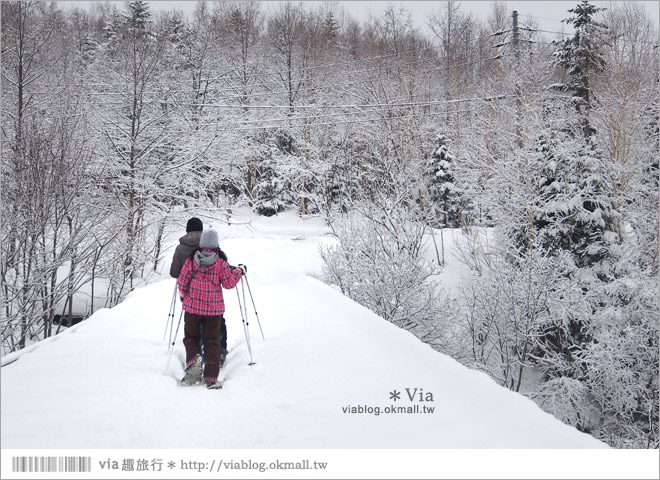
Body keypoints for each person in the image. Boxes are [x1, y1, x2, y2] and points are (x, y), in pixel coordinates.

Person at [177, 228, 246, 389]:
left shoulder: (191, 260)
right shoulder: (220, 263)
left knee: (191, 338)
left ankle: (194, 363)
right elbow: (229, 283)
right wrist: (239, 271)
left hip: (192, 308)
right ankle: (211, 377)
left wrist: (184, 295)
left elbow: (182, 282)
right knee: (212, 342)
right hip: (213, 311)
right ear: (216, 245)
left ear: (201, 244)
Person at [170, 217, 229, 366]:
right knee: (216, 326)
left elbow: (174, 272)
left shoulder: (180, 248)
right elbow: (225, 273)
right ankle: (219, 351)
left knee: (191, 330)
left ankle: (195, 357)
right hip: (212, 300)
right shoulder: (213, 249)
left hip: (190, 295)